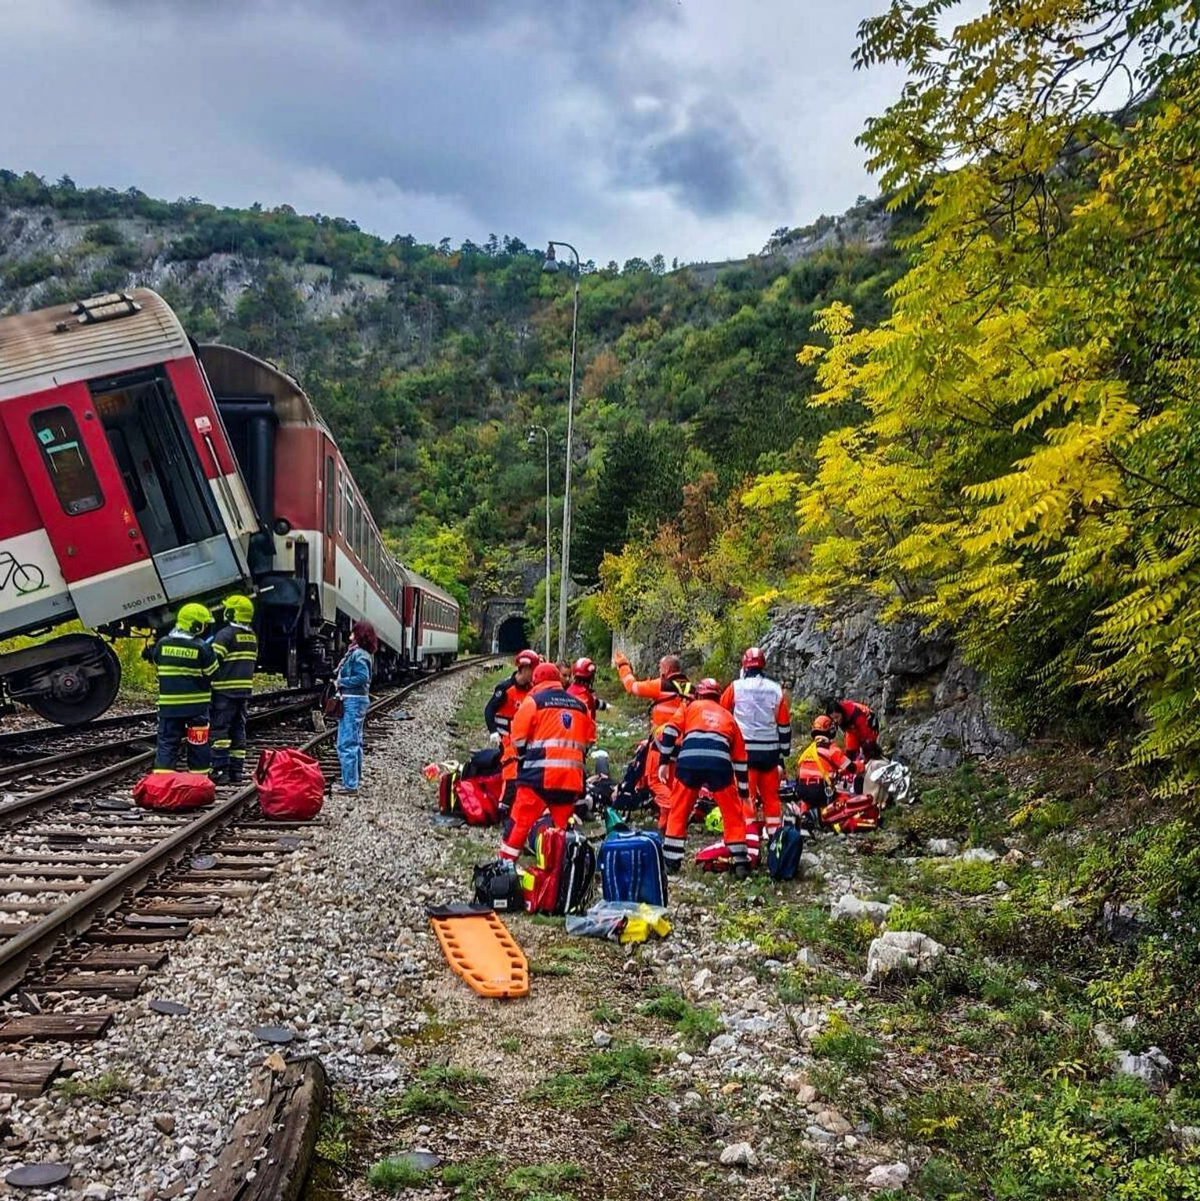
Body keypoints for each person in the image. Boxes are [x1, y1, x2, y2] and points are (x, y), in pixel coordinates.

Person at [498, 662, 595, 862]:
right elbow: (589, 739)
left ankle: (505, 867)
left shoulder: (533, 701)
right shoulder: (580, 705)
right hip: (569, 781)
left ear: (536, 681)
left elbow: (517, 739)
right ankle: (559, 874)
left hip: (537, 778)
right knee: (560, 831)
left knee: (519, 824)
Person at [656, 677, 751, 879]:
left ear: (699, 693)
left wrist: (664, 761)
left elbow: (670, 730)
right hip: (719, 763)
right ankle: (741, 862)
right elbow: (741, 759)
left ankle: (671, 861)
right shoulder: (728, 717)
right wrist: (743, 792)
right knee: (732, 812)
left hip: (689, 761)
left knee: (679, 809)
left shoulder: (690, 707)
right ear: (718, 697)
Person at [721, 647, 791, 857]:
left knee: (746, 797)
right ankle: (775, 841)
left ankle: (750, 841)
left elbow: (722, 711)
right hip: (770, 753)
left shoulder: (736, 687)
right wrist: (783, 753)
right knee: (771, 799)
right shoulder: (775, 689)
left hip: (745, 753)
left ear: (745, 665)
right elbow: (784, 725)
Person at [614, 650, 692, 832]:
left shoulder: (662, 684)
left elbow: (631, 686)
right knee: (670, 784)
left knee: (656, 782)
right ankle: (665, 827)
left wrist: (623, 666)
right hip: (682, 745)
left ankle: (677, 812)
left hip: (662, 744)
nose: (658, 670)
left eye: (659, 667)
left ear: (665, 670)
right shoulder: (690, 688)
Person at [149, 602, 219, 775]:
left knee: (167, 743)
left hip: (169, 707)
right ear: (195, 625)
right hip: (197, 709)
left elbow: (157, 663)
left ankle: (162, 781)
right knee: (198, 743)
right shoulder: (202, 647)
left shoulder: (162, 644)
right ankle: (200, 779)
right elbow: (213, 674)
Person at [209, 594, 258, 785]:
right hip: (243, 692)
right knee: (238, 730)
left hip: (224, 691)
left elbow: (213, 661)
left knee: (219, 731)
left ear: (232, 612)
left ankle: (220, 771)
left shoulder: (226, 635)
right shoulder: (251, 636)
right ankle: (236, 771)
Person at [484, 649, 540, 814]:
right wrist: (493, 731)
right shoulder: (505, 689)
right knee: (511, 769)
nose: (535, 673)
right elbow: (489, 709)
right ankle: (504, 808)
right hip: (507, 738)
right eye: (533, 669)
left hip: (525, 739)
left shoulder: (532, 690)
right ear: (524, 669)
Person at [335, 620, 377, 795]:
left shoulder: (358, 654)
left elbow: (362, 677)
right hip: (358, 700)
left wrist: (341, 682)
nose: (350, 634)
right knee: (356, 741)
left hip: (353, 700)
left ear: (359, 634)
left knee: (346, 743)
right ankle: (354, 780)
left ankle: (350, 785)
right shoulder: (363, 653)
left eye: (353, 632)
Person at [796, 714, 855, 810]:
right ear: (830, 730)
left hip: (803, 790)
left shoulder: (808, 751)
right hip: (820, 790)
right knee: (844, 797)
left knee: (807, 802)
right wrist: (861, 766)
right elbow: (849, 766)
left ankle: (805, 818)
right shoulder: (831, 748)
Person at [826, 698, 881, 763]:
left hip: (867, 721)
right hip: (851, 728)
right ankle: (854, 766)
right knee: (850, 752)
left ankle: (875, 758)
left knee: (868, 745)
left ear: (841, 712)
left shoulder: (855, 713)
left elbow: (865, 732)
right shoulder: (838, 718)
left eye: (837, 717)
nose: (835, 720)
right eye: (833, 718)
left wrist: (864, 745)